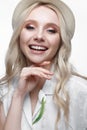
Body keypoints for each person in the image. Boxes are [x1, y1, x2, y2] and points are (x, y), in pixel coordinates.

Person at [0, 0, 87, 130]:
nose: (39, 36)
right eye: (30, 27)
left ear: (61, 40)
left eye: (51, 30)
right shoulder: (4, 91)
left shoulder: (81, 91)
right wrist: (18, 95)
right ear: (18, 34)